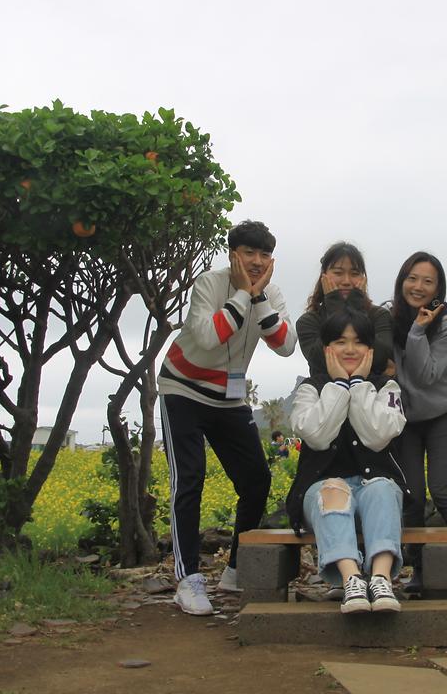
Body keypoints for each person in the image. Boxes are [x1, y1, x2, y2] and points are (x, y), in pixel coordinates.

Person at [158, 220, 298, 616]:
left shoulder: (272, 293)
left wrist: (259, 296)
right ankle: (187, 580)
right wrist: (241, 294)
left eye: (264, 254)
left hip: (229, 398)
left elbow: (286, 345)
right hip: (183, 389)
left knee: (256, 480)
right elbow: (207, 338)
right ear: (232, 254)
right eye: (248, 253)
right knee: (189, 479)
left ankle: (236, 569)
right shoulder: (209, 283)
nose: (257, 262)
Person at [287, 309, 407, 613]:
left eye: (359, 342)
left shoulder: (387, 388)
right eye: (340, 342)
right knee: (333, 489)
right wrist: (340, 385)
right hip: (321, 493)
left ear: (370, 349)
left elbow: (377, 436)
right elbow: (318, 436)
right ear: (326, 348)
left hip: (375, 492)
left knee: (381, 488)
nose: (350, 350)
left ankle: (381, 579)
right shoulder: (310, 389)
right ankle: (351, 579)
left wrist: (359, 385)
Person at [388, 251, 447, 603]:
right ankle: (420, 572)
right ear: (401, 281)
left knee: (442, 491)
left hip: (441, 414)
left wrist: (417, 331)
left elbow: (426, 374)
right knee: (412, 495)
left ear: (438, 288)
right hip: (407, 420)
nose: (418, 286)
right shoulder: (387, 316)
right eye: (412, 278)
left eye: (428, 281)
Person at [296, 242, 393, 377]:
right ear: (324, 276)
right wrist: (337, 310)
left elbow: (381, 359)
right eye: (338, 273)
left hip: (373, 389)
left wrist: (355, 310)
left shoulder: (379, 316)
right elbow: (319, 362)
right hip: (324, 389)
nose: (346, 281)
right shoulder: (309, 321)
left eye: (354, 273)